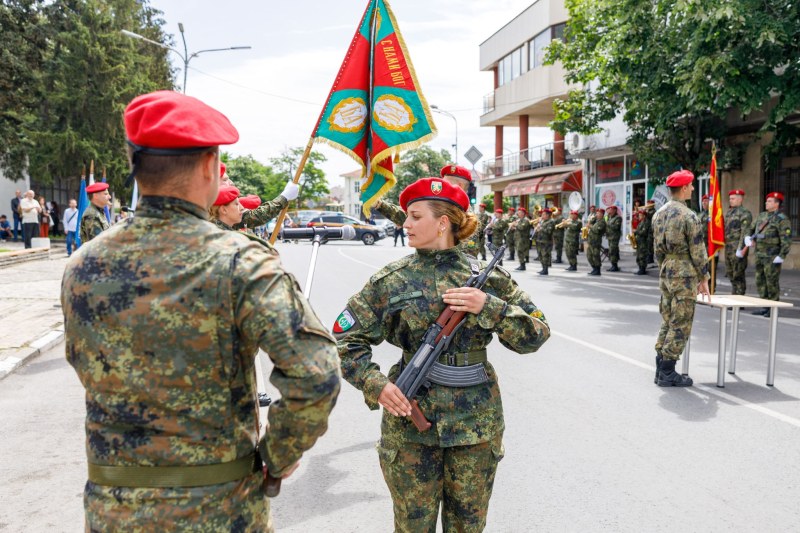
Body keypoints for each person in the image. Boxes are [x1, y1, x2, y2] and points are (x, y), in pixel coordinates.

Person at [62, 90, 340, 531]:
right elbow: (317, 374)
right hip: (219, 507)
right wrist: (277, 456)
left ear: (135, 165)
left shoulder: (83, 264)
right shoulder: (241, 260)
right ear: (210, 166)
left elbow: (87, 365)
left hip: (114, 508)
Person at [334, 177, 550, 532]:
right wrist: (377, 385)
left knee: (467, 526)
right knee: (412, 527)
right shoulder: (391, 280)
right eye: (406, 216)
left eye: (415, 216)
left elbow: (537, 334)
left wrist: (491, 308)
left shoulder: (487, 279)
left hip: (475, 428)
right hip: (410, 429)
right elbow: (344, 342)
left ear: (443, 223)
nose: (405, 224)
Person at [652, 170, 710, 387]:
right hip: (684, 272)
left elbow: (656, 250)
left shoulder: (658, 214)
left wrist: (665, 268)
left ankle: (660, 367)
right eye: (691, 185)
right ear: (684, 188)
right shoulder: (689, 215)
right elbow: (698, 250)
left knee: (667, 318)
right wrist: (703, 277)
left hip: (666, 269)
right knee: (681, 321)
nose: (693, 189)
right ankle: (668, 372)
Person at [740, 192, 792, 316]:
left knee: (771, 282)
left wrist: (782, 255)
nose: (766, 203)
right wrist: (747, 237)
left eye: (769, 201)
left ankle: (772, 308)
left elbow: (786, 239)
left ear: (776, 204)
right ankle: (764, 306)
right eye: (766, 201)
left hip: (772, 256)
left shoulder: (782, 219)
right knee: (760, 281)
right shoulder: (762, 216)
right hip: (760, 254)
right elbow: (750, 228)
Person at [725, 189, 752, 295]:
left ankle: (739, 297)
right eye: (730, 199)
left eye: (733, 199)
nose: (730, 201)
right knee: (730, 272)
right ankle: (734, 295)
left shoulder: (745, 213)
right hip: (728, 247)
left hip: (737, 247)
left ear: (740, 199)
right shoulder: (729, 213)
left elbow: (745, 233)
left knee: (738, 274)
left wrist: (740, 249)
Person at [586, 207, 607, 276]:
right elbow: (591, 223)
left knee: (596, 256)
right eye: (597, 213)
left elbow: (597, 230)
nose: (597, 214)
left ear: (602, 214)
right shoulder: (596, 221)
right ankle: (594, 268)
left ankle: (597, 270)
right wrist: (592, 218)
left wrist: (590, 226)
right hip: (591, 241)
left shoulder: (602, 222)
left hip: (596, 241)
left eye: (599, 213)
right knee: (589, 255)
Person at [534, 208, 555, 275]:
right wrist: (536, 229)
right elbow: (539, 230)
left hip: (546, 242)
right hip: (540, 240)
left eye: (543, 214)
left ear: (548, 215)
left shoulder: (551, 221)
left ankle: (545, 270)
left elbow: (549, 231)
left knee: (545, 256)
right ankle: (543, 268)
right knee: (540, 255)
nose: (542, 216)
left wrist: (541, 228)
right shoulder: (542, 221)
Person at [511, 206, 531, 271]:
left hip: (523, 239)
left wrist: (516, 225)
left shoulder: (526, 220)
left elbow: (522, 228)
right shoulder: (520, 220)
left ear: (523, 213)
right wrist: (513, 227)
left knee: (521, 251)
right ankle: (521, 264)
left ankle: (523, 265)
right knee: (519, 252)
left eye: (519, 212)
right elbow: (518, 228)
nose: (518, 214)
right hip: (518, 238)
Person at [605, 205, 622, 272]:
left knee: (613, 251)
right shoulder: (609, 217)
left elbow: (616, 227)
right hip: (610, 236)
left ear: (615, 210)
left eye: (611, 210)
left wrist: (608, 224)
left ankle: (615, 266)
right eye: (609, 210)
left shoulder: (618, 218)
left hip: (614, 237)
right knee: (611, 251)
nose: (610, 211)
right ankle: (613, 265)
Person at [633, 208, 650, 275]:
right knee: (639, 256)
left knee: (642, 256)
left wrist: (636, 231)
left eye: (640, 215)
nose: (639, 216)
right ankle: (640, 268)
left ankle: (642, 269)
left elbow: (644, 232)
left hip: (643, 242)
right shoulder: (641, 223)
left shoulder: (646, 223)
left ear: (644, 216)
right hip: (639, 242)